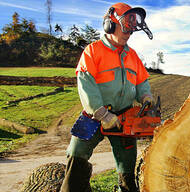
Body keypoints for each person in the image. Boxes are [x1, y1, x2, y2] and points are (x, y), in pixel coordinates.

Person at [60, 2, 154, 192]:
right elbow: (86, 84)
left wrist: (146, 96)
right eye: (126, 25)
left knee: (127, 165)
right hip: (94, 115)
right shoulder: (93, 51)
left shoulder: (132, 56)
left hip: (124, 116)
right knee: (76, 153)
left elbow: (141, 81)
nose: (130, 31)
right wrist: (102, 114)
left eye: (132, 26)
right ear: (109, 24)